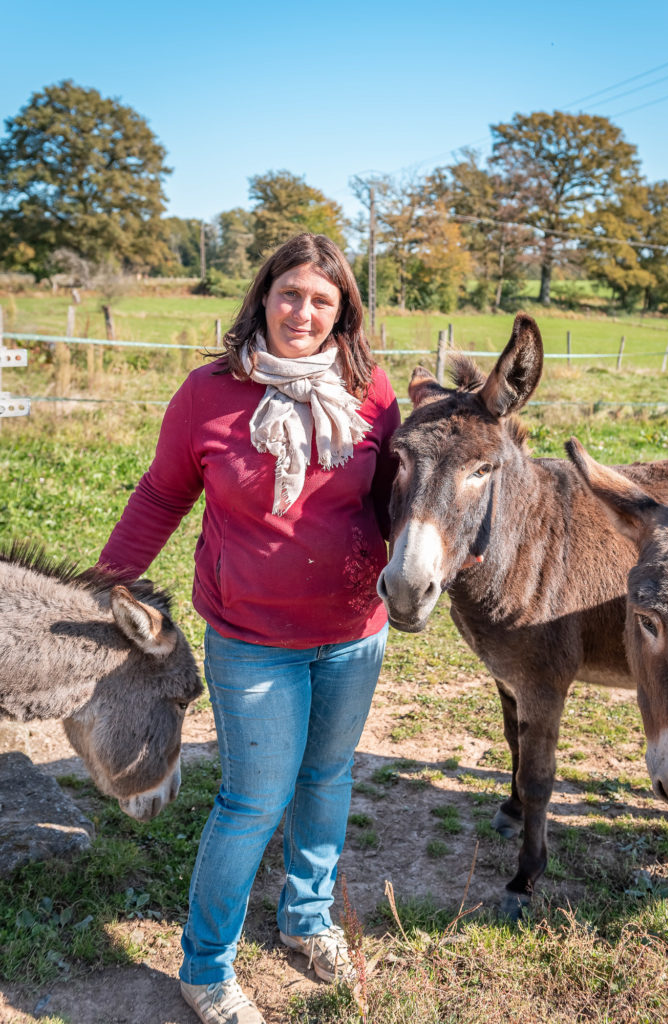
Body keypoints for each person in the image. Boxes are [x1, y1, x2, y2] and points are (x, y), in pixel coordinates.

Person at [99, 233, 401, 1024]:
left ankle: (306, 917)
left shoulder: (371, 394)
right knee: (253, 801)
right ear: (263, 297)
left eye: (322, 301)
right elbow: (163, 495)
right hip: (252, 637)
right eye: (290, 294)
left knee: (328, 778)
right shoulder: (209, 394)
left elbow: (404, 497)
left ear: (343, 316)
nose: (303, 312)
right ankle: (205, 968)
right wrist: (109, 585)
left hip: (353, 629)